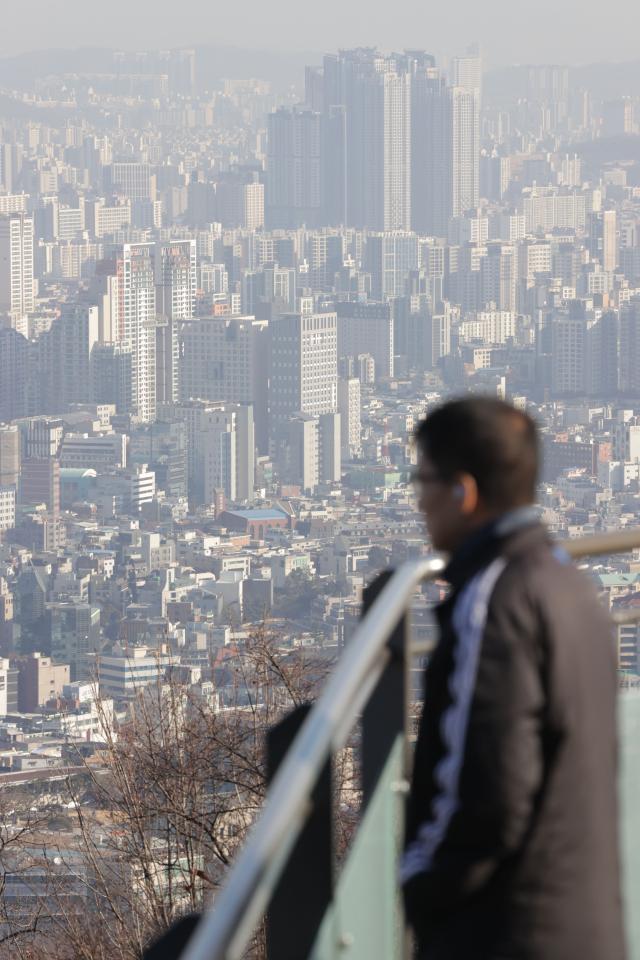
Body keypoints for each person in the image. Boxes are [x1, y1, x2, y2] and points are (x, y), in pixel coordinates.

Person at [401, 397, 625, 960]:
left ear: (464, 491)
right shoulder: (568, 582)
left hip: (507, 929)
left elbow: (487, 789)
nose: (418, 499)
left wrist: (416, 882)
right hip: (582, 918)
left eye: (423, 479)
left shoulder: (494, 601)